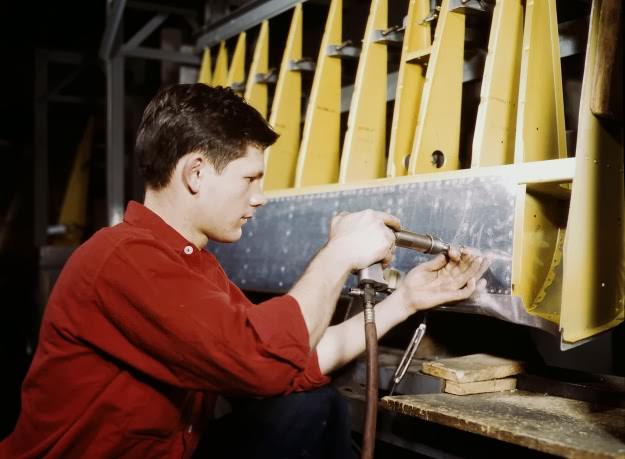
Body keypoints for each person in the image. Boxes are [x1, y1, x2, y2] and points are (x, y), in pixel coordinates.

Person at [1, 84, 489, 459]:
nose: (258, 197)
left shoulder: (191, 267)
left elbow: (292, 361)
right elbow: (261, 360)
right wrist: (337, 254)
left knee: (311, 408)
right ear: (195, 174)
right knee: (307, 412)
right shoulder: (124, 259)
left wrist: (405, 301)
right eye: (249, 178)